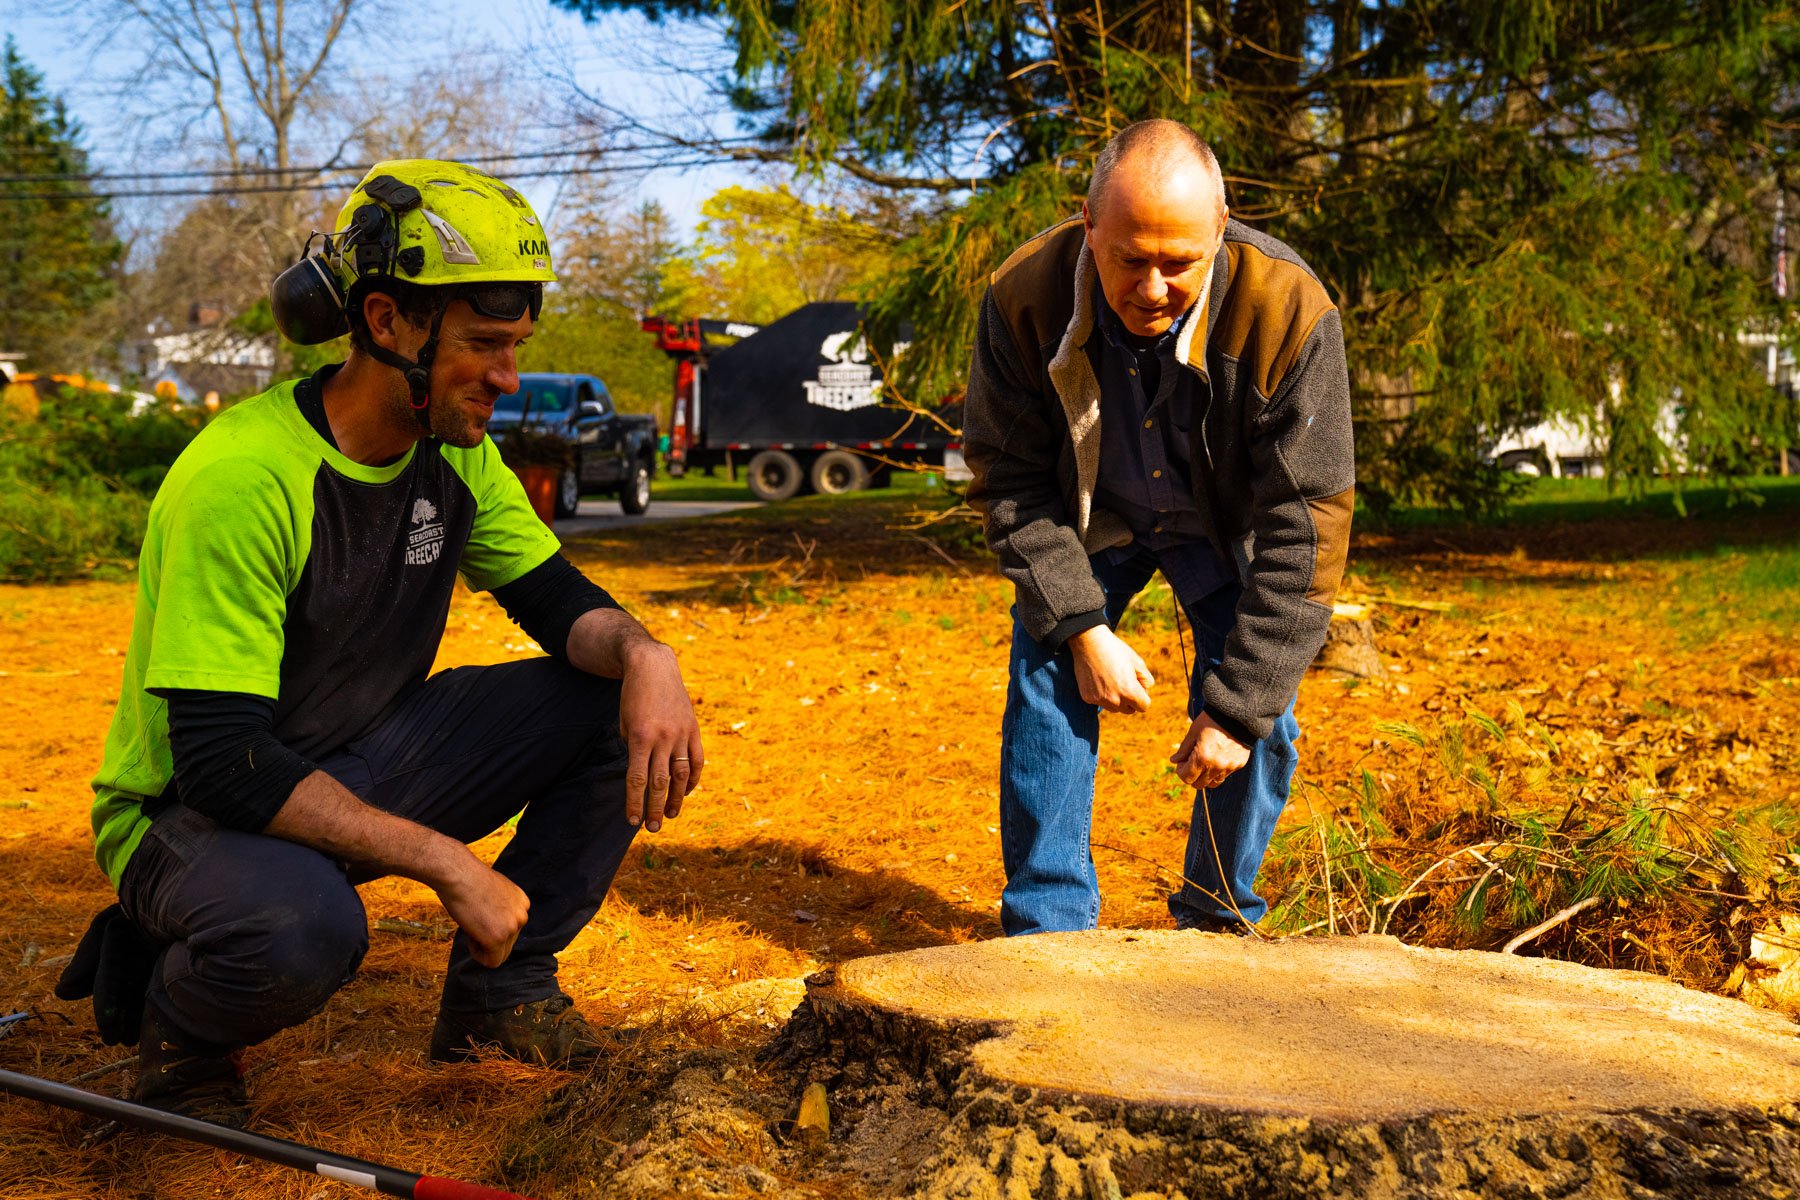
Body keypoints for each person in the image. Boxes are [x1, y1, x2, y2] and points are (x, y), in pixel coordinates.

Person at [79, 160, 704, 1127]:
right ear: (385, 323)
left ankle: (501, 997)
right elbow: (219, 759)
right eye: (485, 344)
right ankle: (184, 1039)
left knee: (614, 703)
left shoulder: (454, 453)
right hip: (189, 812)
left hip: (354, 762)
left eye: (517, 344)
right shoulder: (245, 479)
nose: (508, 376)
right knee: (302, 931)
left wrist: (646, 657)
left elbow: (557, 602)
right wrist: (452, 865)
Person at [962, 120, 1353, 937]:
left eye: (1179, 264)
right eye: (1128, 259)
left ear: (1221, 228)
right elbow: (1011, 480)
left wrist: (1237, 708)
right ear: (1087, 224)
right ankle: (1048, 925)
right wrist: (1080, 627)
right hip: (1091, 516)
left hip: (1221, 525)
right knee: (1046, 664)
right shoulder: (1021, 298)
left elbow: (1306, 522)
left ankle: (1216, 919)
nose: (1150, 289)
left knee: (1258, 707)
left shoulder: (1289, 308)